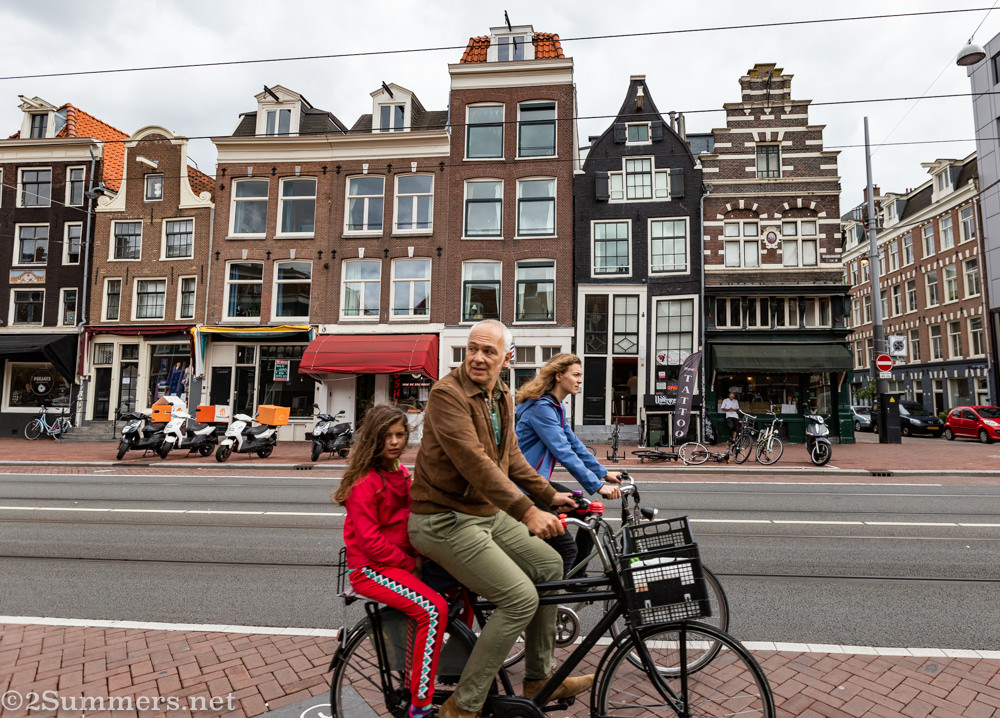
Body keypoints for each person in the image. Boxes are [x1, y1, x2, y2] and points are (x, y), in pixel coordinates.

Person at [408, 320, 591, 718]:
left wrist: (550, 496)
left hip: (483, 514)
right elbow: (475, 464)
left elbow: (511, 461)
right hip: (443, 519)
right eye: (472, 348)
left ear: (506, 358)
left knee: (550, 565)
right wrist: (527, 511)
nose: (477, 357)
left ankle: (539, 678)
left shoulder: (501, 395)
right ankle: (463, 705)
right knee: (519, 598)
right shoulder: (446, 395)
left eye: (489, 351)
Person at [333, 403, 446, 718]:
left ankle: (443, 672)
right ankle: (421, 704)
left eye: (400, 434)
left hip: (399, 563)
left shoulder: (401, 472)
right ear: (373, 439)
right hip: (371, 570)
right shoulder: (364, 483)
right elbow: (370, 542)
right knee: (432, 609)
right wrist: (410, 563)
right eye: (387, 436)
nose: (395, 441)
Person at [515, 353, 623, 576]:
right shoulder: (541, 409)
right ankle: (557, 597)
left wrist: (603, 473)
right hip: (525, 487)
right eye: (575, 375)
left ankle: (575, 575)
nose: (580, 380)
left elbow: (574, 445)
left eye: (580, 375)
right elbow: (562, 451)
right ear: (558, 376)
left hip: (538, 482)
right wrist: (597, 486)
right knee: (566, 548)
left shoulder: (555, 407)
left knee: (587, 512)